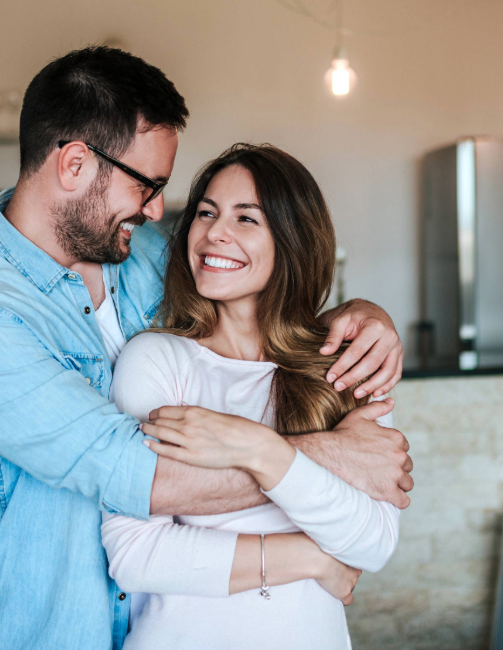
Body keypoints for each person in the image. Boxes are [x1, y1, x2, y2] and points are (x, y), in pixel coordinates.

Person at [0, 47, 412, 650]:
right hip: (60, 631)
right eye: (147, 184)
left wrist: (360, 317)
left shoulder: (143, 253)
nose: (157, 210)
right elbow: (138, 476)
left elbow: (257, 299)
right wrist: (331, 457)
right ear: (75, 165)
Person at [101, 144, 399, 650]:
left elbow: (373, 542)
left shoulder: (342, 366)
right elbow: (135, 555)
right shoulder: (156, 360)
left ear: (293, 241)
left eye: (246, 219)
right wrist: (313, 559)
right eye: (206, 213)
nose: (215, 232)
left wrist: (259, 448)